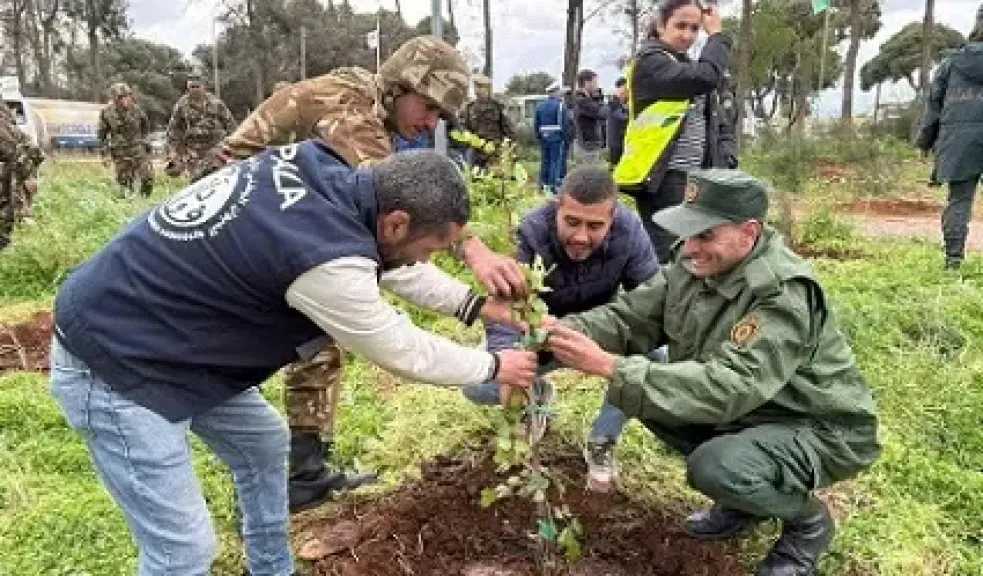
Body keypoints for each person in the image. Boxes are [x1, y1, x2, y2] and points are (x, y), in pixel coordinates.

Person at [49, 145, 539, 576]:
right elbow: (398, 346)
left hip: (177, 340)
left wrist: (474, 306)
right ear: (396, 222)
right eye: (430, 249)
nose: (425, 261)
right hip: (116, 361)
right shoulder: (323, 256)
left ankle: (273, 570)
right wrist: (495, 367)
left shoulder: (325, 171)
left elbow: (379, 261)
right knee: (182, 550)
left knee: (263, 444)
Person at [221, 35, 529, 512]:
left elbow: (381, 243)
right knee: (299, 327)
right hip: (233, 219)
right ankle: (273, 462)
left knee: (316, 338)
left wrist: (472, 305)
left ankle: (305, 473)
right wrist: (472, 250)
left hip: (270, 219)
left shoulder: (368, 106)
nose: (429, 124)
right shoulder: (353, 111)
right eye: (428, 108)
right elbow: (393, 223)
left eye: (439, 118)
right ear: (402, 86)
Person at [544, 169, 881, 576]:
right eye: (688, 234)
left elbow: (730, 386)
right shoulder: (693, 265)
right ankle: (743, 502)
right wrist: (556, 336)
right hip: (752, 413)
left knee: (715, 466)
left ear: (749, 232)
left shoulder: (780, 293)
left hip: (817, 427)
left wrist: (608, 365)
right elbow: (629, 319)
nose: (690, 248)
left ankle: (807, 523)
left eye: (705, 236)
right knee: (637, 390)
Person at [461, 165, 659, 492]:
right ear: (558, 209)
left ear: (613, 218)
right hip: (542, 337)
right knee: (477, 384)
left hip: (600, 332)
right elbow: (508, 311)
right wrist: (508, 362)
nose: (581, 236)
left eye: (595, 226)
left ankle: (602, 441)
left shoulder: (630, 231)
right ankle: (536, 397)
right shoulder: (532, 232)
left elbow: (651, 301)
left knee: (657, 355)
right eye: (572, 222)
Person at [614, 0, 733, 263]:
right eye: (680, 26)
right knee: (672, 256)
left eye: (694, 28)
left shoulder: (682, 63)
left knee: (692, 253)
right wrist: (717, 37)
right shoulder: (651, 62)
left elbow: (716, 120)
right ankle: (663, 302)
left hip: (693, 176)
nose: (688, 35)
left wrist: (726, 159)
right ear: (660, 25)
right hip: (665, 177)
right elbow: (706, 76)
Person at [915, 8, 983, 270]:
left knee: (959, 201)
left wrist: (925, 141)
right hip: (961, 138)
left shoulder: (951, 64)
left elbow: (934, 107)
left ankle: (953, 261)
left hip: (959, 141)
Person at [166, 74, 236, 182]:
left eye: (197, 86)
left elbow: (230, 124)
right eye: (192, 87)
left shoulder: (216, 103)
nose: (195, 90)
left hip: (215, 148)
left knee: (217, 178)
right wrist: (173, 151)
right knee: (197, 181)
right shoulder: (181, 106)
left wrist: (233, 146)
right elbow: (173, 130)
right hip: (193, 152)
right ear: (187, 88)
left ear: (204, 87)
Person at [98, 82, 154, 197]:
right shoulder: (106, 112)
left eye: (127, 95)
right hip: (120, 152)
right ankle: (127, 203)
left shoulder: (136, 110)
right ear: (114, 98)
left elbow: (145, 126)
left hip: (137, 149)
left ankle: (145, 199)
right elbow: (102, 135)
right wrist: (104, 155)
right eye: (121, 97)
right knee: (124, 182)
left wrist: (145, 141)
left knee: (148, 177)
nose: (125, 99)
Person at [0, 102, 43, 247]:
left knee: (16, 205)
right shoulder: (6, 118)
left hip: (19, 161)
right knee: (11, 203)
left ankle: (20, 242)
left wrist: (30, 176)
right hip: (18, 159)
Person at [462, 73, 513, 167]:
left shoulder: (497, 106)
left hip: (495, 150)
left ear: (487, 88)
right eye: (476, 87)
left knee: (495, 179)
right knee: (473, 178)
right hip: (476, 151)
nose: (477, 90)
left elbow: (508, 130)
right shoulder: (470, 107)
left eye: (480, 87)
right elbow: (466, 129)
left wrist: (509, 150)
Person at [534, 84, 571, 193]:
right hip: (557, 137)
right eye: (559, 92)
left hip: (543, 137)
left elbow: (536, 123)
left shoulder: (540, 106)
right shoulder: (560, 106)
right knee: (555, 161)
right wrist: (566, 139)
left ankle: (543, 183)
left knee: (545, 160)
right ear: (554, 92)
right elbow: (563, 124)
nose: (561, 94)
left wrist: (538, 136)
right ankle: (553, 185)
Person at [573, 69, 606, 165]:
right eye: (595, 82)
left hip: (589, 143)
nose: (597, 86)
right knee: (590, 174)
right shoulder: (582, 100)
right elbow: (602, 113)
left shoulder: (586, 99)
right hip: (588, 144)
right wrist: (600, 99)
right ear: (587, 83)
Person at [606, 77, 629, 166]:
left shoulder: (620, 104)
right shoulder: (614, 103)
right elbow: (623, 118)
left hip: (619, 142)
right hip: (615, 144)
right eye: (625, 90)